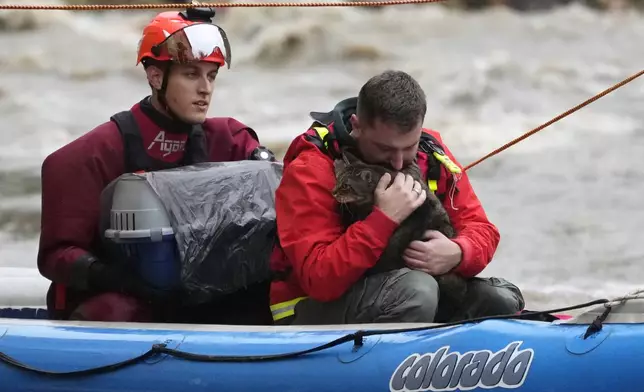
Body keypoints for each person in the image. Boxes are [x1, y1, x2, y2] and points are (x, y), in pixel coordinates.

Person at [37, 7, 276, 324]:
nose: (205, 89)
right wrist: (113, 277)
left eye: (211, 75)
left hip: (197, 293)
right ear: (155, 76)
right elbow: (56, 255)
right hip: (123, 300)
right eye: (191, 74)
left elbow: (273, 189)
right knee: (114, 312)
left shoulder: (230, 140)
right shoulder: (90, 155)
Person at [268, 70, 525, 325]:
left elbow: (481, 228)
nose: (399, 161)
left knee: (500, 298)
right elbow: (319, 278)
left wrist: (458, 252)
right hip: (309, 312)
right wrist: (384, 219)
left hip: (408, 292)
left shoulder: (430, 152)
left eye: (409, 147)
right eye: (385, 149)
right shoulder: (311, 167)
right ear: (357, 126)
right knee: (417, 291)